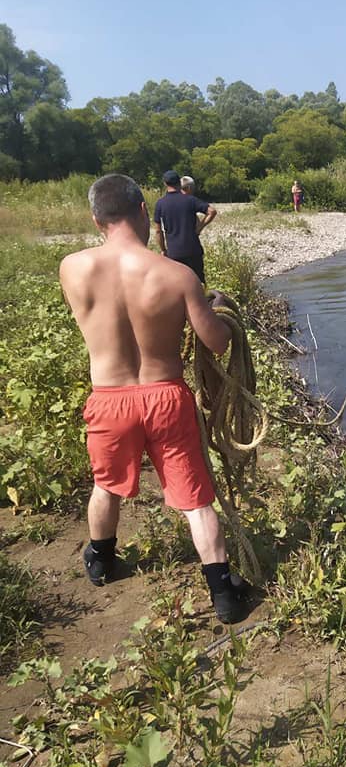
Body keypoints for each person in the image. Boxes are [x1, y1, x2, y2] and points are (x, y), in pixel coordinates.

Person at [59, 173, 249, 624]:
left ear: (95, 220)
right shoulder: (176, 274)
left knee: (106, 484)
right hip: (165, 396)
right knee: (195, 498)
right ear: (144, 211)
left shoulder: (73, 267)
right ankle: (223, 593)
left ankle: (102, 560)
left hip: (109, 398)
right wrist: (213, 305)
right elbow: (218, 343)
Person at [154, 169, 217, 283]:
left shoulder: (160, 204)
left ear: (165, 184)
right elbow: (212, 211)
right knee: (199, 284)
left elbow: (158, 231)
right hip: (193, 250)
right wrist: (200, 227)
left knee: (177, 285)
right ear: (179, 182)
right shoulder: (190, 200)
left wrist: (163, 250)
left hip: (174, 253)